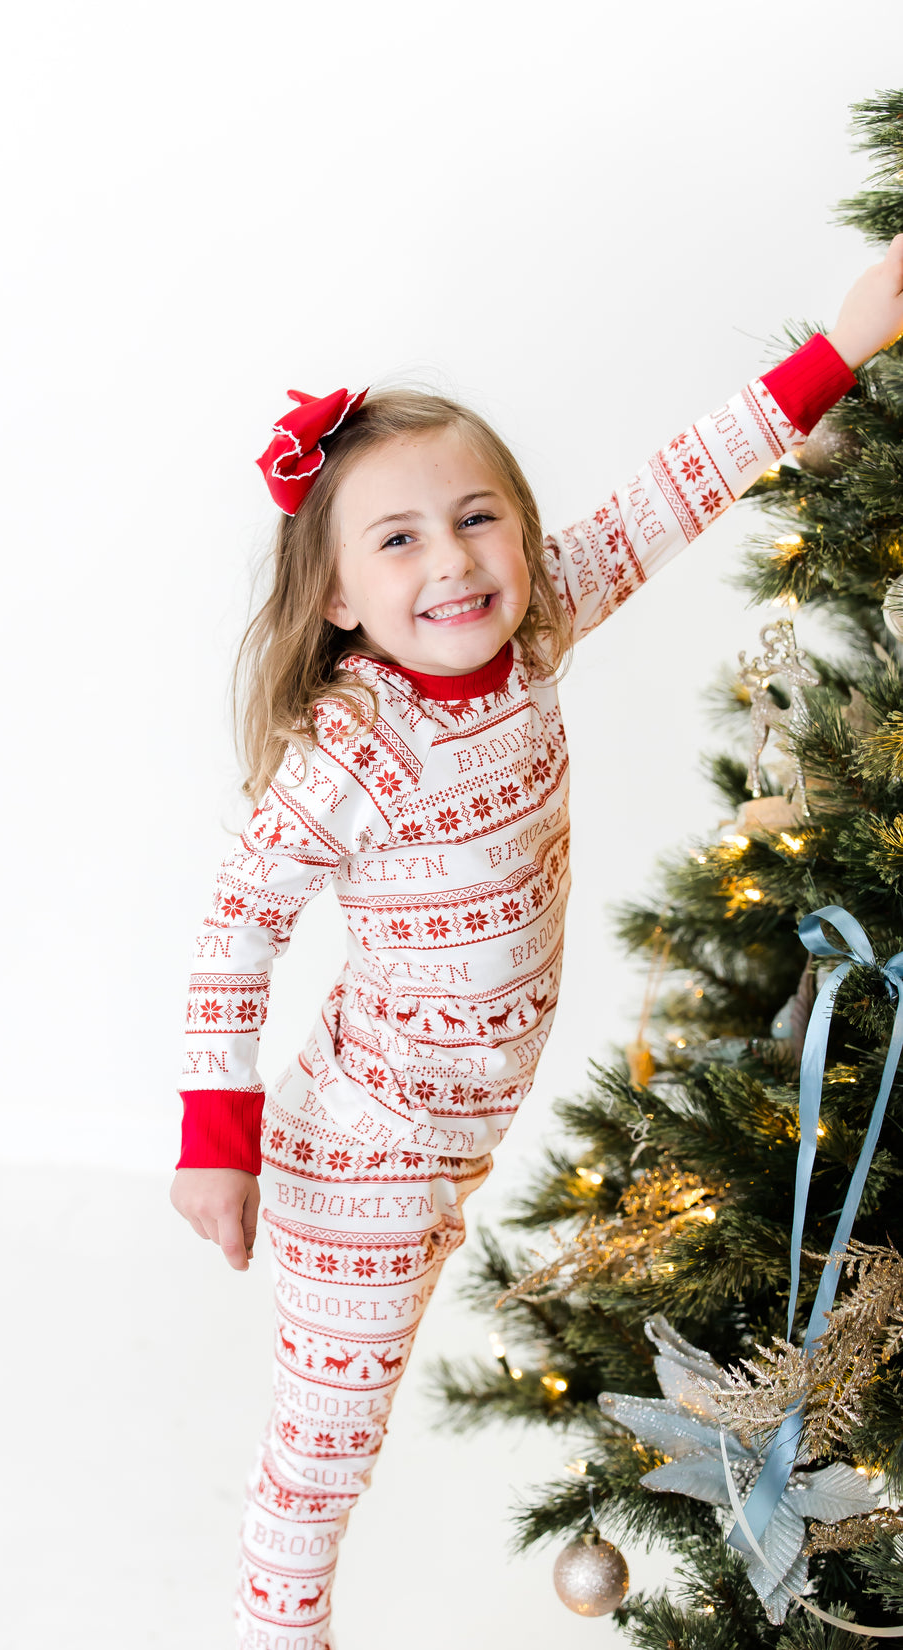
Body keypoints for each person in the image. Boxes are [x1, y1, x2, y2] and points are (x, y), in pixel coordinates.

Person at [171, 238, 903, 1650]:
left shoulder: (546, 619)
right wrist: (218, 1127)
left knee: (347, 1406)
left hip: (463, 1126)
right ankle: (280, 1626)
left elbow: (676, 488)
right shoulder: (357, 744)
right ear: (335, 600)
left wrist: (844, 345)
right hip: (373, 1142)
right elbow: (234, 925)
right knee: (330, 1430)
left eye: (479, 517)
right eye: (397, 540)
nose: (453, 560)